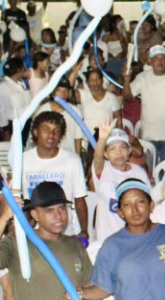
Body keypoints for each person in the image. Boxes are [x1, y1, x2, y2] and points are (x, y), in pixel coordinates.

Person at [0, 182, 96, 300]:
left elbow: (92, 291)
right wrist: (4, 217)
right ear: (35, 215)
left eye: (61, 209)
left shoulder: (75, 247)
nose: (58, 216)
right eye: (49, 211)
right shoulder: (17, 243)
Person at [22, 111, 89, 239]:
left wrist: (84, 231)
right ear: (36, 132)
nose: (51, 135)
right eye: (46, 130)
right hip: (32, 232)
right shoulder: (23, 160)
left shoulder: (72, 160)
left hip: (63, 230)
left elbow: (79, 199)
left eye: (56, 131)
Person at [122, 45, 165, 163]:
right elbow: (127, 96)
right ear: (150, 61)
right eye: (156, 58)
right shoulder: (143, 77)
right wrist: (126, 79)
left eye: (163, 58)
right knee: (152, 172)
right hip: (149, 137)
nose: (160, 61)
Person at [92, 122, 151, 241]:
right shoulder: (103, 170)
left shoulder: (139, 172)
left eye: (122, 147)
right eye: (112, 149)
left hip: (135, 237)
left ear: (129, 151)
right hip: (108, 238)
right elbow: (97, 160)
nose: (118, 152)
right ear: (106, 154)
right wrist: (102, 139)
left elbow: (148, 202)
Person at [70, 68, 123, 136]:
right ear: (87, 82)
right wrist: (74, 72)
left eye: (97, 79)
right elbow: (68, 93)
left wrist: (120, 137)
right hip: (87, 137)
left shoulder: (111, 97)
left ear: (102, 80)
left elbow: (118, 121)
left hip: (106, 137)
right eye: (92, 80)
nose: (95, 82)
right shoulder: (83, 94)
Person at [0, 58, 31, 140]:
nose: (24, 69)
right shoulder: (4, 87)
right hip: (14, 125)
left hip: (26, 121)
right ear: (18, 70)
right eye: (23, 67)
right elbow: (2, 110)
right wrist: (6, 130)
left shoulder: (21, 83)